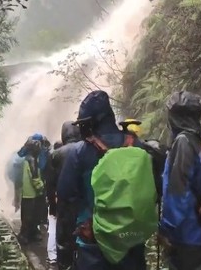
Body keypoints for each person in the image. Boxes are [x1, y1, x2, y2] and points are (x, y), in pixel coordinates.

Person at [57, 90, 157, 270]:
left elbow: (66, 195)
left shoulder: (79, 152)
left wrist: (66, 244)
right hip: (131, 236)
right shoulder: (136, 144)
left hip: (94, 240)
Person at [159, 91, 201, 270]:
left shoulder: (183, 142)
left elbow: (178, 192)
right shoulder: (198, 139)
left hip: (184, 234)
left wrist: (167, 229)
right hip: (197, 230)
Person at [47, 122, 82, 269]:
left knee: (63, 241)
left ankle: (64, 265)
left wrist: (52, 206)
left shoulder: (56, 154)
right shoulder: (85, 150)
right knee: (82, 240)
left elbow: (50, 183)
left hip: (64, 204)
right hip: (83, 203)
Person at [13, 136, 45, 245]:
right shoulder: (32, 159)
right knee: (31, 216)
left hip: (26, 193)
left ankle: (26, 235)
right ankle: (25, 236)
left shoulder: (25, 159)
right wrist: (41, 188)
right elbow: (35, 177)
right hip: (32, 193)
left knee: (26, 215)